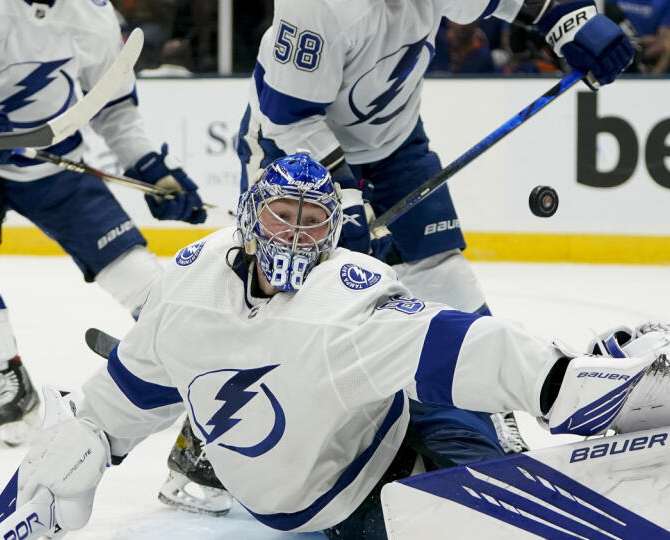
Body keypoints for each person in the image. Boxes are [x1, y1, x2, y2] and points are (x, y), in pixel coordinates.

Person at [1, 153, 670, 538]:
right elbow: (118, 400)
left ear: (333, 232)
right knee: (485, 500)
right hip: (350, 503)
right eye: (283, 215)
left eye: (314, 223)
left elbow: (468, 349)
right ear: (251, 217)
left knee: (459, 416)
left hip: (371, 435)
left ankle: (552, 443)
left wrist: (574, 387)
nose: (295, 235)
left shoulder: (282, 292)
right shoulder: (207, 298)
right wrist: (80, 446)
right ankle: (547, 458)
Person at [188, 0, 635, 514]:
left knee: (439, 267)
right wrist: (345, 199)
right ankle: (201, 440)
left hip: (395, 147)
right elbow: (288, 119)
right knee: (297, 299)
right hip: (296, 155)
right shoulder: (317, 8)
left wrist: (567, 18)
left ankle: (485, 412)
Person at [0, 0, 207, 445]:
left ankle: (202, 369)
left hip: (55, 167)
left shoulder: (94, 16)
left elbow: (114, 109)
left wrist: (150, 166)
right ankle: (6, 373)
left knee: (138, 276)